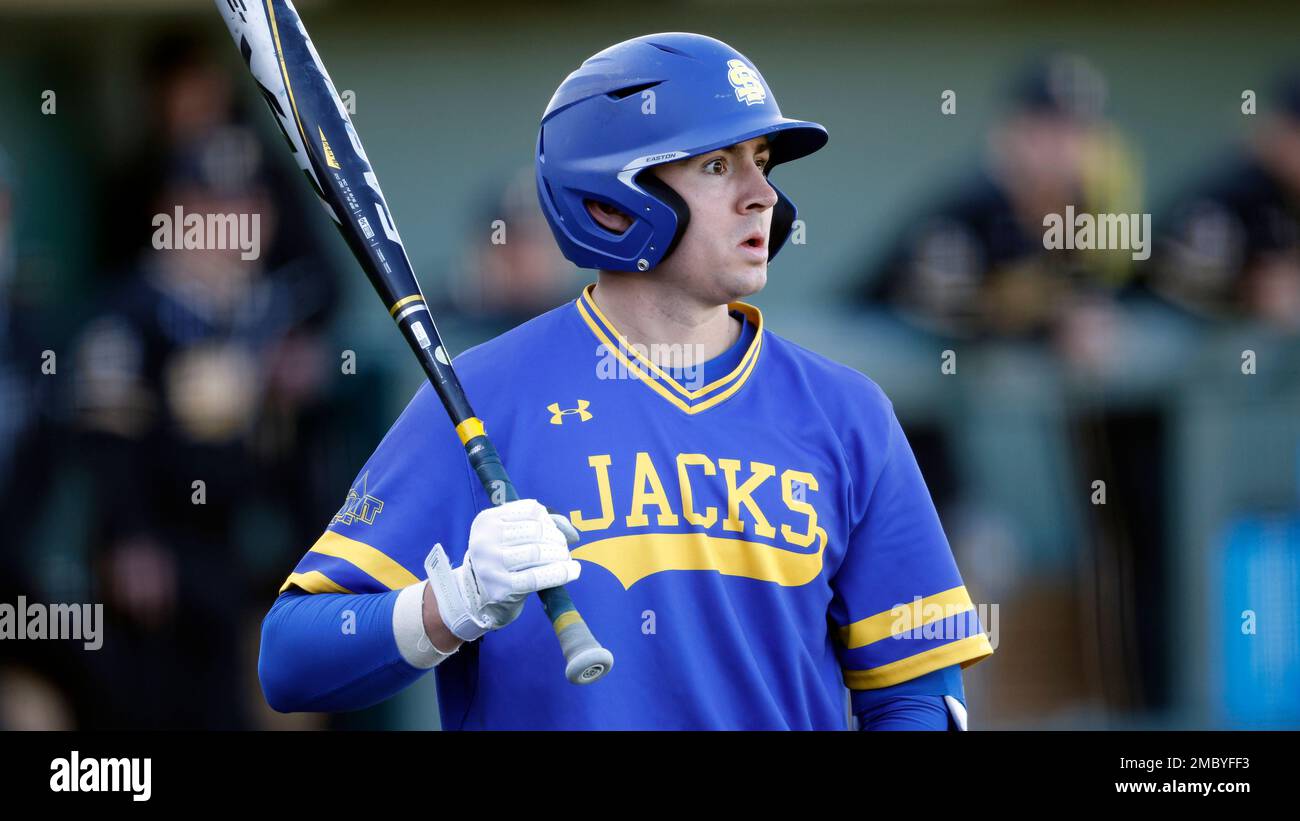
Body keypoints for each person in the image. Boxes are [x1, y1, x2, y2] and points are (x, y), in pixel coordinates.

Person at [259, 32, 994, 730]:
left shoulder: (847, 413)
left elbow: (917, 688)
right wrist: (453, 603)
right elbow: (291, 658)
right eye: (717, 166)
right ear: (611, 202)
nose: (761, 196)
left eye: (763, 160)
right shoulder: (486, 398)